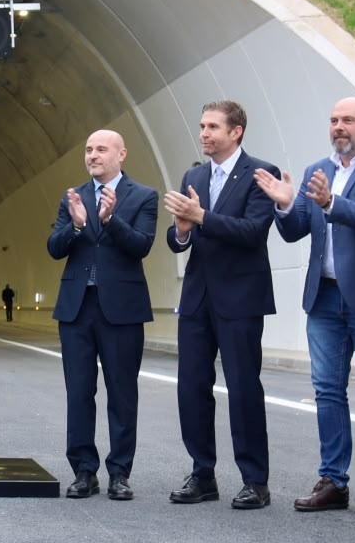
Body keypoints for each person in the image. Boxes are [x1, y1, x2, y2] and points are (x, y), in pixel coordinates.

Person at [253, 97, 355, 516]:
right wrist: (287, 204)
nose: (339, 127)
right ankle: (333, 481)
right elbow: (294, 232)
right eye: (334, 120)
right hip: (324, 296)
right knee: (327, 391)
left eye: (348, 120)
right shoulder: (315, 171)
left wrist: (330, 204)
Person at [164, 101, 278, 509]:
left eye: (213, 126)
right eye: (201, 126)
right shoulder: (194, 174)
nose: (204, 133)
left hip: (241, 298)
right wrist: (181, 231)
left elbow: (252, 232)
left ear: (237, 131)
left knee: (244, 388)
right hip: (197, 298)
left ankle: (255, 480)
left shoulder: (262, 174)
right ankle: (202, 473)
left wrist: (202, 216)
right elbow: (182, 237)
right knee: (191, 387)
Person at [47, 129, 157, 500]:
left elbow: (141, 246)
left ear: (121, 154)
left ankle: (120, 472)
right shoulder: (72, 197)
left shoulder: (143, 196)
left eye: (101, 149)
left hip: (122, 310)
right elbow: (53, 247)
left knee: (122, 394)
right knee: (79, 392)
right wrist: (77, 224)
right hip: (77, 309)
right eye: (88, 149)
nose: (93, 155)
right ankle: (83, 470)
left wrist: (111, 220)